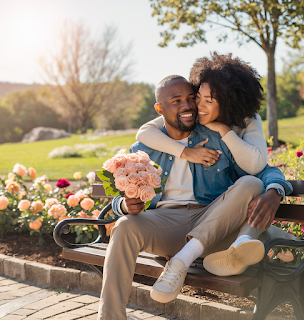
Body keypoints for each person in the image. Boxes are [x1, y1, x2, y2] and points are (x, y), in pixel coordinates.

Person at [97, 75, 292, 320]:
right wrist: (124, 204)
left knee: (251, 183)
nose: (187, 106)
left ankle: (181, 261)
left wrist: (276, 191)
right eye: (176, 101)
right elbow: (114, 195)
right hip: (167, 223)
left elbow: (263, 171)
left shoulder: (216, 137)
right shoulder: (144, 149)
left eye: (191, 98)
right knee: (124, 226)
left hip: (213, 217)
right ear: (160, 109)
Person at [136, 52, 268, 175]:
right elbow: (145, 133)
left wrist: (223, 130)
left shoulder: (249, 120)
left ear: (228, 102)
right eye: (197, 97)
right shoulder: (195, 115)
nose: (199, 106)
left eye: (208, 100)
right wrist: (186, 153)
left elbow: (255, 166)